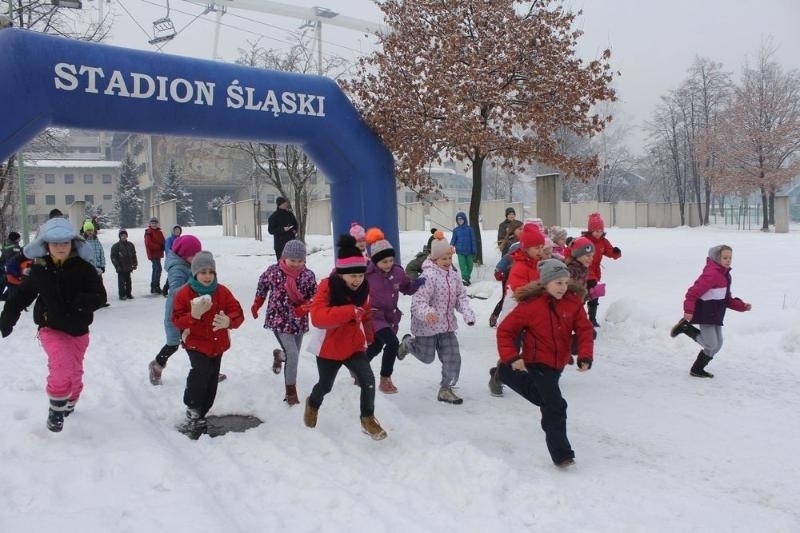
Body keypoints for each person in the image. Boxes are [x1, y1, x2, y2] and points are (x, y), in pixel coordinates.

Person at [0, 217, 107, 432]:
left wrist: (82, 302)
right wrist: (7, 319)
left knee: (75, 371)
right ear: (45, 245)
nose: (60, 247)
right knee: (61, 362)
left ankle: (72, 397)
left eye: (65, 243)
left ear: (73, 244)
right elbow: (21, 296)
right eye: (55, 243)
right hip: (51, 327)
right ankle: (56, 407)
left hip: (78, 329)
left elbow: (100, 296)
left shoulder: (84, 269)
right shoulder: (40, 270)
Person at [495, 259, 594, 468]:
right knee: (556, 406)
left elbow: (584, 330)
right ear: (545, 283)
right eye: (557, 283)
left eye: (565, 282)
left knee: (545, 400)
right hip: (536, 362)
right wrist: (512, 356)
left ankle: (506, 373)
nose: (563, 287)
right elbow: (505, 330)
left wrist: (585, 355)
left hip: (558, 363)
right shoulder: (530, 306)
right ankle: (562, 454)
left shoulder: (573, 303)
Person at [305, 234, 387, 441]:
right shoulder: (327, 287)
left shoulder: (364, 290)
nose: (357, 280)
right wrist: (350, 311)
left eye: (360, 275)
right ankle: (313, 403)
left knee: (367, 379)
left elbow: (366, 315)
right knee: (326, 385)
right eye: (352, 276)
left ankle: (367, 418)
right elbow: (318, 318)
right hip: (328, 348)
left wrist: (369, 339)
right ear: (341, 274)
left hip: (353, 346)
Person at [171, 251, 244, 437]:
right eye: (203, 272)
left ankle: (202, 411)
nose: (207, 276)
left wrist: (229, 321)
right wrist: (193, 316)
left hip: (217, 344)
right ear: (195, 273)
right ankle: (193, 406)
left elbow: (237, 312)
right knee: (201, 372)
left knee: (212, 378)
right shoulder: (184, 293)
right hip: (195, 343)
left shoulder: (222, 291)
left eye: (211, 272)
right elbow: (177, 319)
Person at [398, 231, 476, 404]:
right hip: (427, 326)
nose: (448, 262)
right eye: (444, 259)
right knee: (427, 357)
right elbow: (417, 302)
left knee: (453, 357)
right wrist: (428, 313)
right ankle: (407, 344)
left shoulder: (454, 276)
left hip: (447, 326)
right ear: (434, 259)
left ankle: (445, 389)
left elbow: (460, 297)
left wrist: (467, 313)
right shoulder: (428, 277)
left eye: (449, 258)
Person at [251, 239, 317, 406]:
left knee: (292, 354)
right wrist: (257, 303)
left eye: (300, 261)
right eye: (292, 260)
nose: (296, 264)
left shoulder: (307, 275)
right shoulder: (273, 272)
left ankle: (279, 356)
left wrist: (305, 307)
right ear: (284, 258)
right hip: (278, 319)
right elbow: (262, 285)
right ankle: (290, 391)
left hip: (298, 321)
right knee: (293, 355)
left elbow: (315, 296)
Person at [670, 244, 751, 378]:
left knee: (717, 345)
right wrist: (688, 310)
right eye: (724, 257)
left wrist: (742, 306)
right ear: (716, 258)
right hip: (706, 313)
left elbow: (726, 299)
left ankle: (697, 369)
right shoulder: (711, 274)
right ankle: (685, 328)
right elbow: (692, 293)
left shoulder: (725, 276)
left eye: (730, 257)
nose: (728, 260)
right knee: (711, 343)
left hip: (717, 315)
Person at [364, 227, 423, 394]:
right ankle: (385, 379)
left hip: (390, 316)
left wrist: (416, 284)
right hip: (374, 315)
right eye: (384, 262)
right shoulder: (367, 274)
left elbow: (407, 288)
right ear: (375, 261)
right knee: (392, 343)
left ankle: (358, 366)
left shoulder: (397, 271)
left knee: (376, 346)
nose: (388, 264)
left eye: (390, 260)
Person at [148, 234, 205, 385]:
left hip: (189, 312)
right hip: (176, 315)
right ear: (185, 254)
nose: (197, 257)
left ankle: (207, 371)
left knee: (197, 342)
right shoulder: (178, 268)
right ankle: (157, 365)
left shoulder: (189, 264)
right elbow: (174, 291)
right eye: (195, 255)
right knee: (173, 344)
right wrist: (194, 284)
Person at [581, 212, 622, 327]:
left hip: (596, 271)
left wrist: (615, 253)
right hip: (584, 271)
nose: (598, 234)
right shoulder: (585, 241)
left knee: (594, 295)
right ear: (590, 230)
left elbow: (609, 251)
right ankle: (580, 318)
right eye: (596, 231)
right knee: (583, 296)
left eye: (600, 231)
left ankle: (592, 318)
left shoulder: (603, 241)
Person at [488, 219, 523, 327]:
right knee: (506, 297)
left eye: (523, 229)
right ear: (513, 230)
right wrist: (500, 270)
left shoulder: (523, 242)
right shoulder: (511, 243)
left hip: (516, 273)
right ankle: (495, 315)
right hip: (507, 273)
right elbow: (505, 258)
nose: (522, 231)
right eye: (519, 229)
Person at [505, 223, 546, 291]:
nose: (541, 251)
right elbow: (519, 293)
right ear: (526, 249)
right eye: (537, 248)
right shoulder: (519, 268)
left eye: (542, 247)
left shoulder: (537, 264)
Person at [450, 211, 476, 286]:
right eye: (458, 220)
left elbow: (473, 240)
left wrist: (474, 249)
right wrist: (451, 245)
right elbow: (453, 239)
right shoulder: (456, 230)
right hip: (460, 251)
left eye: (461, 219)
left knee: (470, 266)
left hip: (469, 251)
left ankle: (467, 278)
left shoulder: (470, 229)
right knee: (463, 266)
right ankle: (464, 279)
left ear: (465, 219)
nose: (460, 221)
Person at [110, 229, 137, 300]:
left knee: (128, 281)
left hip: (128, 267)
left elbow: (134, 255)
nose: (123, 237)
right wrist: (117, 266)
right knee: (121, 282)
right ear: (119, 236)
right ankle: (122, 295)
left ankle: (128, 294)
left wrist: (134, 263)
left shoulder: (130, 245)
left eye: (125, 235)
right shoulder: (116, 246)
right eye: (122, 235)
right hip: (120, 267)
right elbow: (113, 257)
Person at [144, 217, 166, 295]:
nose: (154, 224)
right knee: (157, 269)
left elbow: (163, 241)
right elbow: (148, 244)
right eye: (152, 223)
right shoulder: (149, 232)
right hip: (153, 254)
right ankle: (154, 287)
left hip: (158, 254)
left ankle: (156, 286)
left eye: (155, 223)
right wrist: (160, 247)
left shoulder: (159, 232)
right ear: (150, 224)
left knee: (158, 269)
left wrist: (164, 245)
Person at [162, 225, 183, 296]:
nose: (177, 231)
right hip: (173, 260)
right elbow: (168, 250)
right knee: (172, 274)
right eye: (176, 230)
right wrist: (174, 256)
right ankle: (165, 289)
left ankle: (179, 290)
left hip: (181, 260)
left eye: (178, 230)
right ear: (173, 231)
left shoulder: (182, 239)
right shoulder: (169, 239)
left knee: (180, 275)